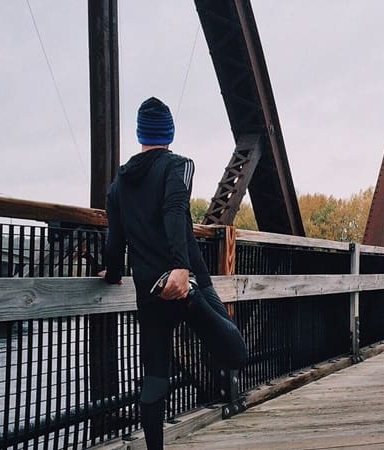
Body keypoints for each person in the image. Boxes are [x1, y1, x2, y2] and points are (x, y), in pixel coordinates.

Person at [99, 97, 247, 449]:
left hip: (149, 291)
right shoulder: (179, 166)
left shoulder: (119, 184)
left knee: (155, 379)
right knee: (236, 354)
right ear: (170, 132)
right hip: (186, 281)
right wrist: (182, 270)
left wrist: (112, 272)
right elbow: (174, 209)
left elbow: (115, 238)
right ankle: (193, 300)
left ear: (139, 134)